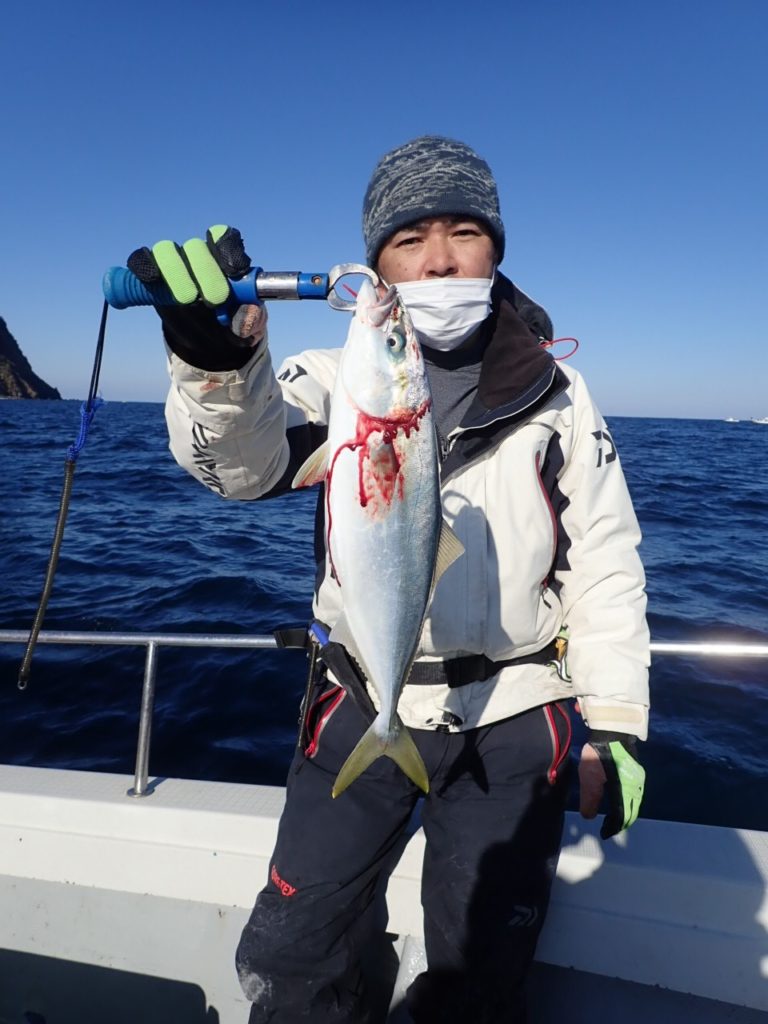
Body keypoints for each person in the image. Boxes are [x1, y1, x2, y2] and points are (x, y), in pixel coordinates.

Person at [129, 135, 650, 1023]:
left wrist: (616, 719)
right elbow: (244, 467)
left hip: (515, 717)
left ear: (496, 250)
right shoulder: (334, 383)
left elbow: (605, 558)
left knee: (478, 977)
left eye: (464, 233)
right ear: (377, 264)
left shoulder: (560, 395)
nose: (439, 259)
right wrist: (218, 366)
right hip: (361, 697)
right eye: (409, 239)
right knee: (294, 954)